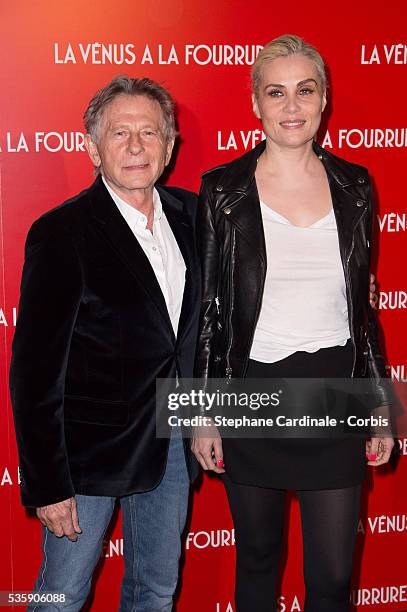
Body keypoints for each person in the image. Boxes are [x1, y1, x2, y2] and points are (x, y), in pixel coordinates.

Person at [192, 35, 394, 612]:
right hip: (251, 389)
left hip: (336, 389)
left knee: (332, 577)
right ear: (255, 104)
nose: (291, 106)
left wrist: (381, 406)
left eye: (304, 91)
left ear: (324, 100)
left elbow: (363, 313)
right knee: (258, 558)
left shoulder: (356, 187)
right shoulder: (222, 190)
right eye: (276, 93)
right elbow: (209, 310)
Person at [10, 76, 200, 611]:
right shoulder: (63, 232)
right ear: (93, 147)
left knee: (156, 592)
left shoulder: (192, 218)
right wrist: (47, 483)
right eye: (121, 133)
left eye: (149, 132)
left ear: (170, 144)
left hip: (171, 444)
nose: (137, 146)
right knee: (59, 597)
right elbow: (33, 372)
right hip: (86, 459)